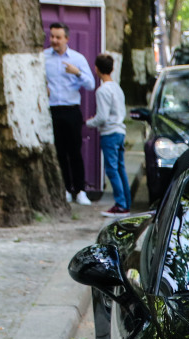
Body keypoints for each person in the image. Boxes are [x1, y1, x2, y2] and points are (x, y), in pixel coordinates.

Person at [44, 22, 95, 205]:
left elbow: (90, 84)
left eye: (58, 37)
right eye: (52, 37)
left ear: (67, 38)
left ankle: (80, 190)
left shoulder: (77, 58)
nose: (54, 40)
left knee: (74, 151)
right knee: (59, 152)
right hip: (52, 110)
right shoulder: (44, 58)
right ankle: (65, 189)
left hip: (72, 110)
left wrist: (77, 73)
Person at [86, 53, 131, 216]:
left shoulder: (102, 90)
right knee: (120, 168)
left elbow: (102, 117)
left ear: (96, 69)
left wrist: (88, 122)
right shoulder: (117, 88)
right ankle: (126, 202)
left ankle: (120, 204)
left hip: (109, 133)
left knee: (111, 169)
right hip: (120, 131)